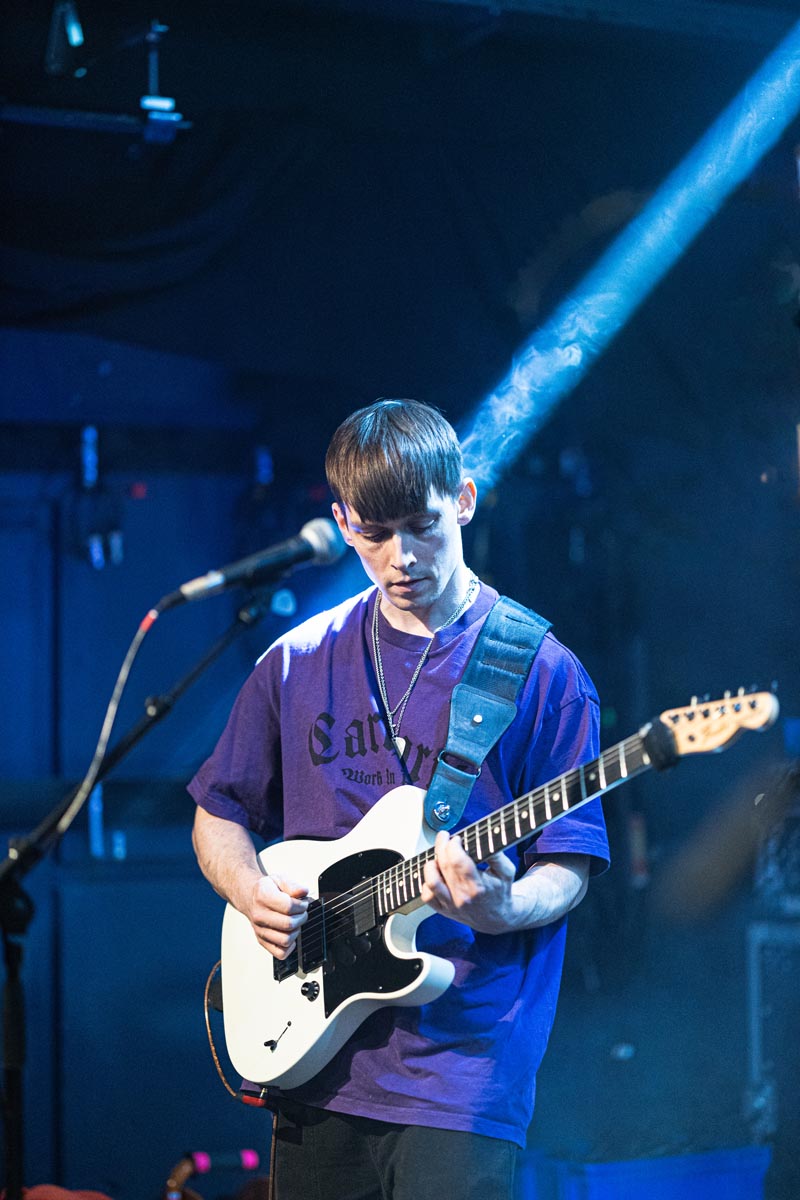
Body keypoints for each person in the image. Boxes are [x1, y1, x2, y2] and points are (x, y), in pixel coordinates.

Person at [189, 398, 609, 1200]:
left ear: (465, 500)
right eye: (375, 534)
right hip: (311, 1051)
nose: (402, 557)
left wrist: (504, 905)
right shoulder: (296, 661)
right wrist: (249, 891)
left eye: (422, 527)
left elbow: (570, 862)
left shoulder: (541, 671)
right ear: (342, 522)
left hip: (464, 1064)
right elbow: (220, 812)